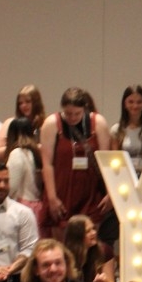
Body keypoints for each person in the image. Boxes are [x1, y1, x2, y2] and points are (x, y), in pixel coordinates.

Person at [40, 87, 111, 237]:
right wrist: (52, 197)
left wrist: (110, 192)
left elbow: (106, 162)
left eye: (77, 114)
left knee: (90, 239)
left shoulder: (98, 122)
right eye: (68, 114)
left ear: (84, 109)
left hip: (90, 191)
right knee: (62, 239)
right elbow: (47, 164)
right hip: (62, 191)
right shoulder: (52, 124)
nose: (72, 118)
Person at [5, 116, 46, 235]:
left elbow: (12, 186)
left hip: (22, 206)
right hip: (37, 206)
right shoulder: (35, 152)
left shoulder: (17, 153)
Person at [0, 84, 46, 163]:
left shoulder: (45, 124)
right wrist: (19, 146)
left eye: (28, 102)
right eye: (20, 103)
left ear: (36, 103)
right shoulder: (10, 123)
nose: (23, 106)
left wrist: (32, 147)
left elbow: (49, 151)